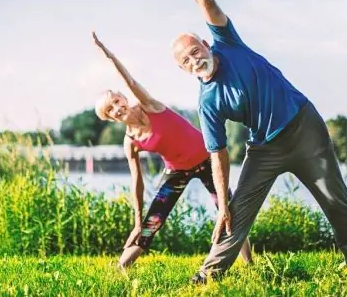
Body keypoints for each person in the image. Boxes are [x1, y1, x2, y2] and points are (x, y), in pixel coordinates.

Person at [170, 0, 347, 284]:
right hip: (265, 149)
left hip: (305, 129)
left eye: (195, 51)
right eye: (186, 61)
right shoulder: (207, 103)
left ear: (205, 43)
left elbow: (208, 5)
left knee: (334, 199)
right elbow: (218, 154)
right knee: (234, 213)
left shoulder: (227, 42)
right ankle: (207, 275)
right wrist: (224, 203)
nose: (195, 60)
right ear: (183, 69)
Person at [90, 31, 253, 269]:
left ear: (124, 98)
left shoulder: (149, 106)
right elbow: (137, 183)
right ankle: (120, 268)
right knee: (151, 223)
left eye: (117, 101)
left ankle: (249, 264)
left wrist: (109, 56)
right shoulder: (131, 142)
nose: (117, 107)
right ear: (109, 118)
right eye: (110, 109)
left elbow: (131, 82)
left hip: (208, 159)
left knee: (228, 209)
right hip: (177, 171)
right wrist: (137, 222)